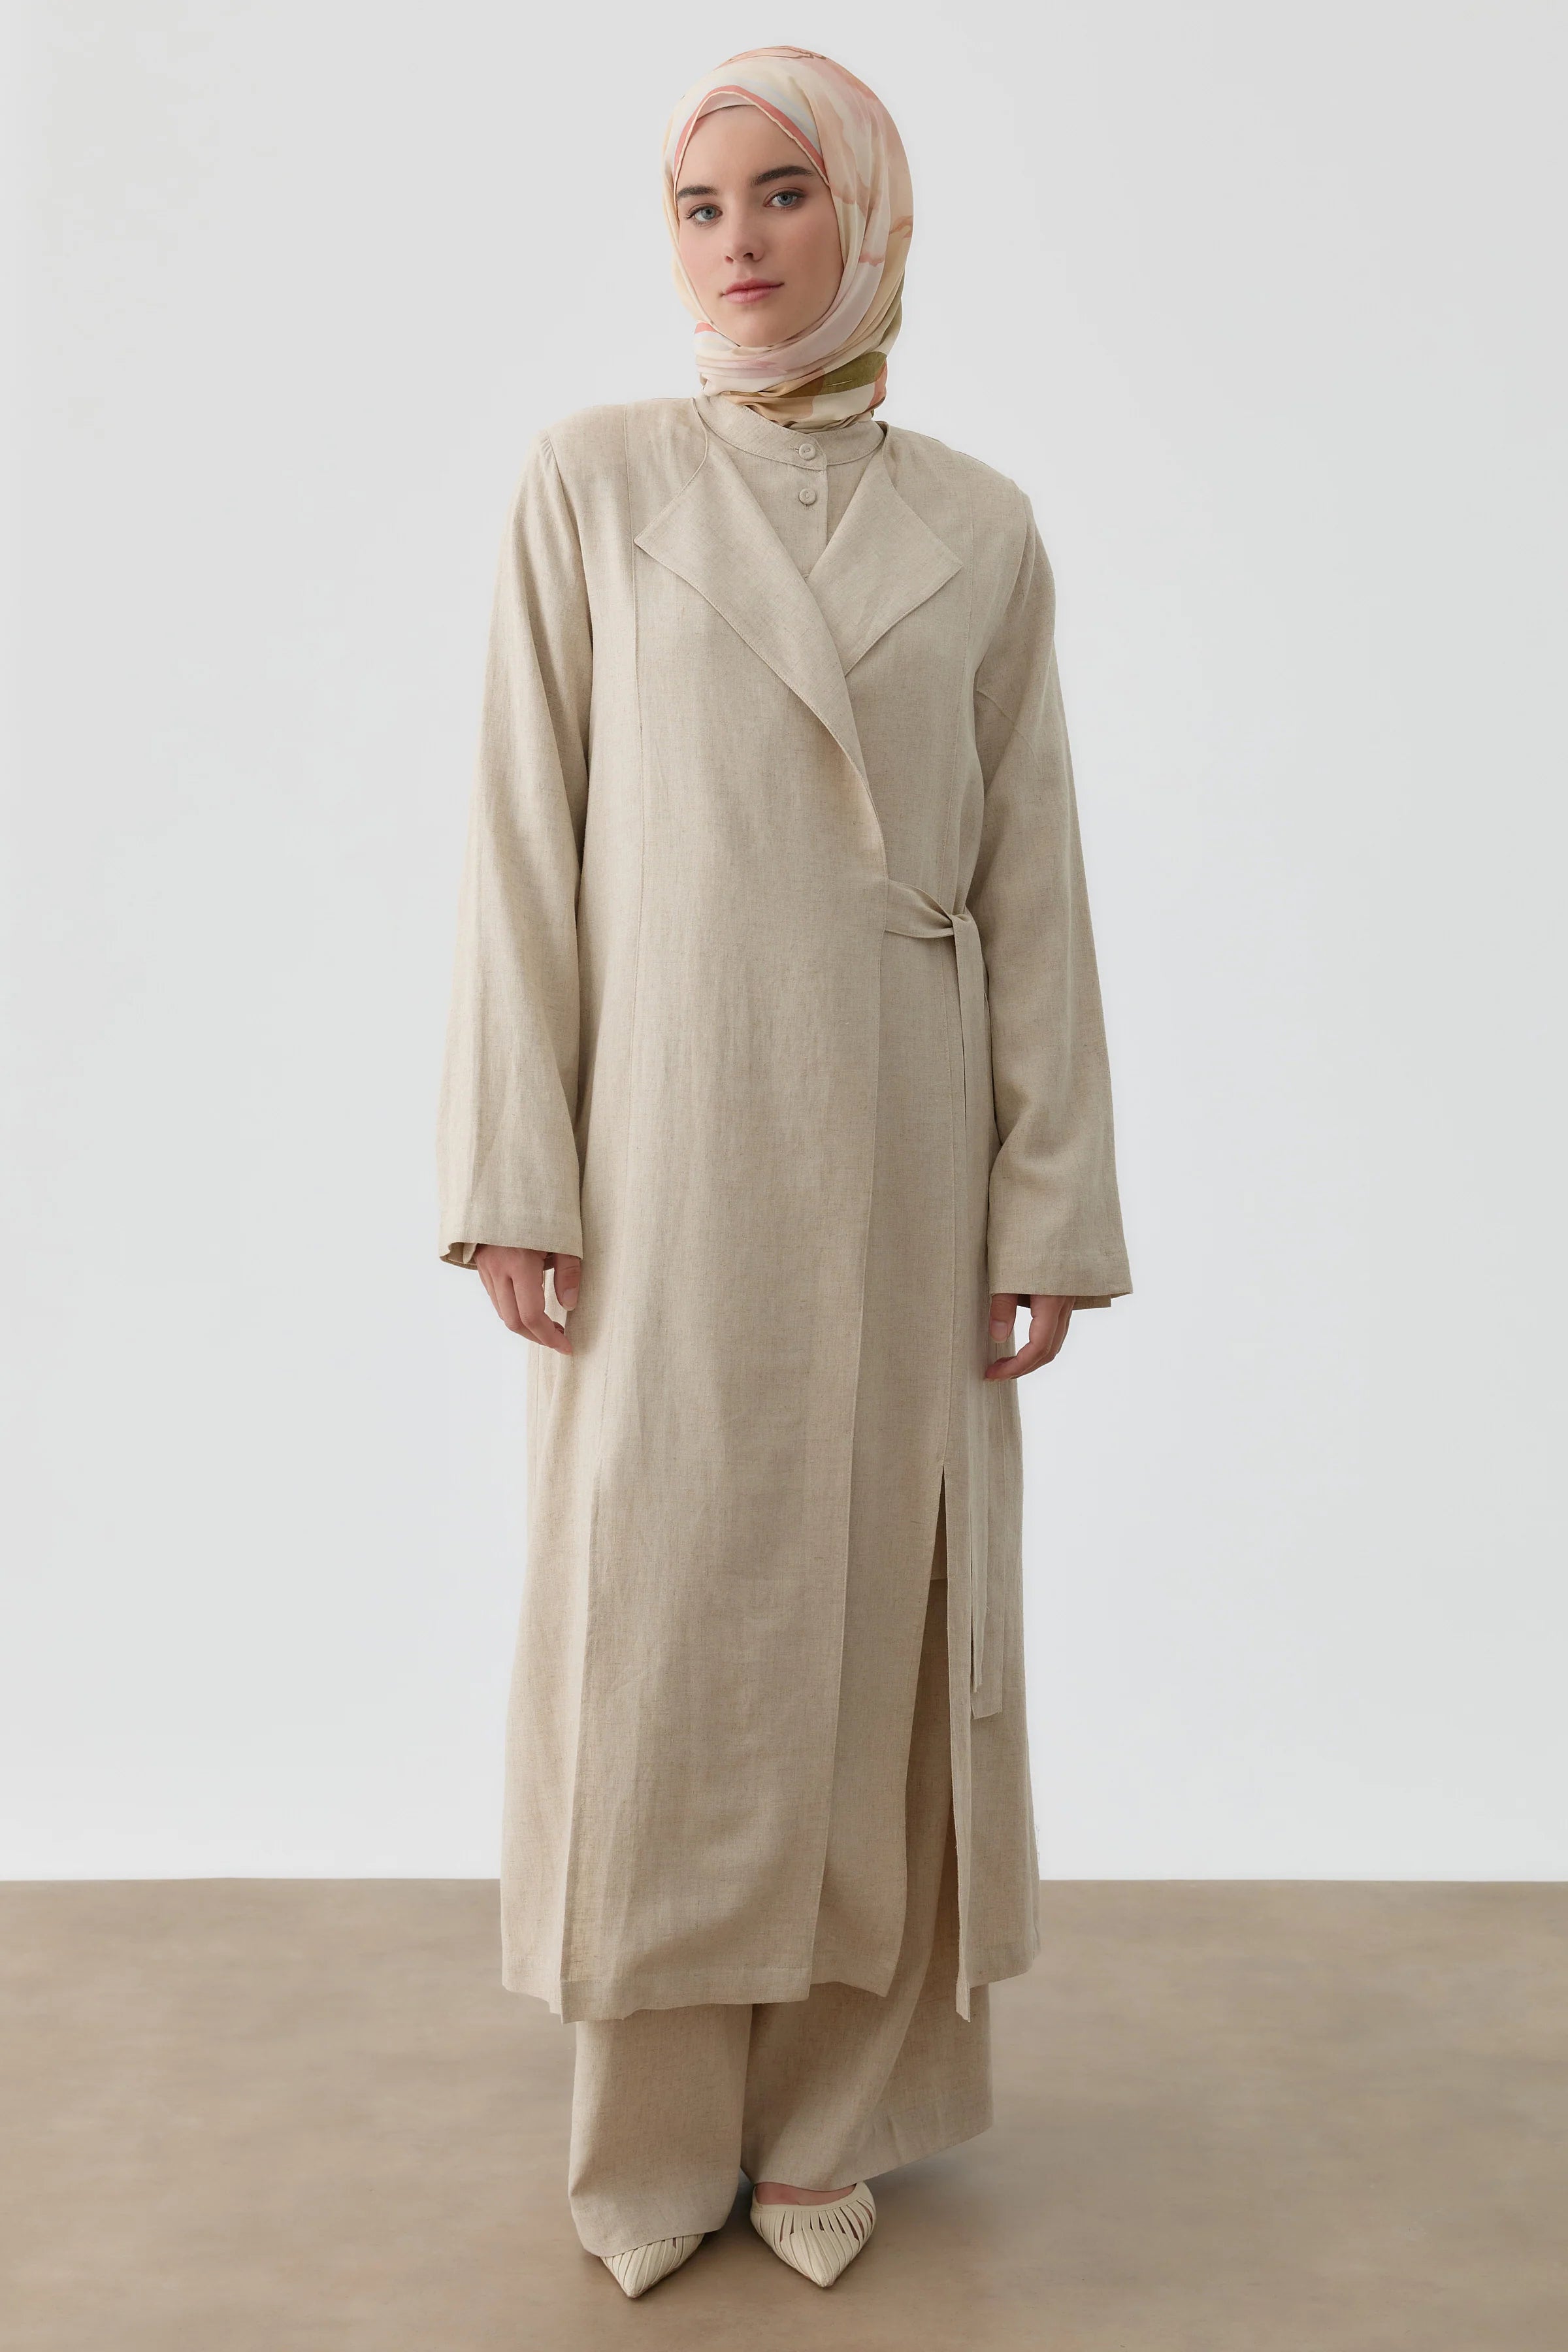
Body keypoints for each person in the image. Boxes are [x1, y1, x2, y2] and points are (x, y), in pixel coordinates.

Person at [435, 44, 1132, 2300]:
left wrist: (1049, 1200)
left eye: (783, 194)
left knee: (879, 1628)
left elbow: (1035, 883)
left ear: (872, 221)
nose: (736, 244)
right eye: (697, 204)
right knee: (667, 1623)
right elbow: (521, 846)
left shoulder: (985, 527)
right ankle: (652, 2137)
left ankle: (839, 2117)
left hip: (908, 1141)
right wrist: (513, 1164)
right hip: (670, 1135)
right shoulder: (593, 483)